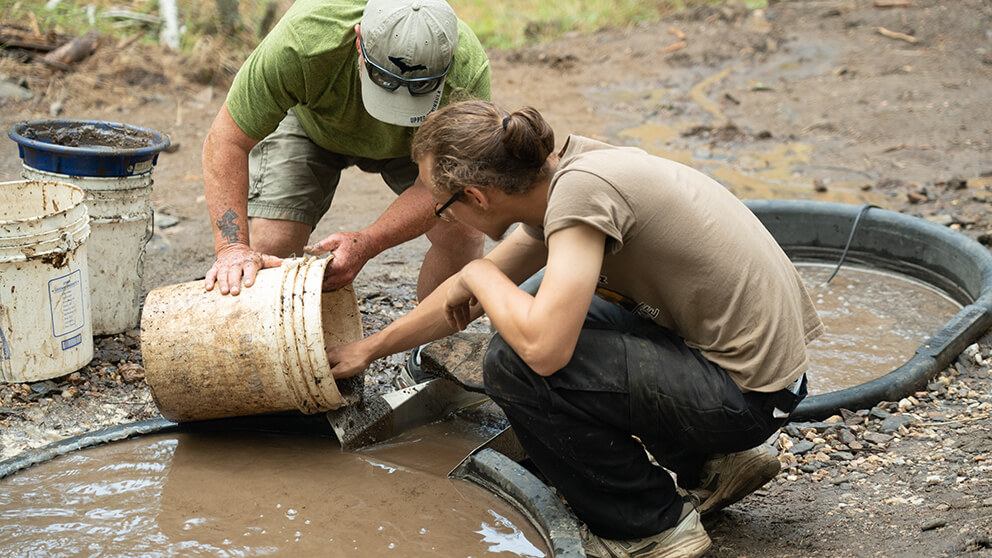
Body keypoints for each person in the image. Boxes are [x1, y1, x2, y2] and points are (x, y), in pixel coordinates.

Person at [325, 100, 824, 558]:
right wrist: (368, 350)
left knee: (516, 363)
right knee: (557, 314)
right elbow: (468, 295)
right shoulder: (569, 175)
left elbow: (542, 349)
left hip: (749, 394)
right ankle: (712, 465)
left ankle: (651, 527)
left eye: (442, 206)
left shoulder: (581, 198)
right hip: (756, 370)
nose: (445, 215)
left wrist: (478, 274)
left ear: (476, 196)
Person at [201, 0, 490, 301]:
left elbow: (444, 187)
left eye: (419, 87)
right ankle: (281, 340)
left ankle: (431, 340)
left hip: (417, 141)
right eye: (384, 80)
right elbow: (227, 139)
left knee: (462, 228)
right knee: (273, 245)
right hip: (312, 124)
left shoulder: (467, 73)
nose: (397, 98)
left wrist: (368, 242)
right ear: (358, 39)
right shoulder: (305, 41)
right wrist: (231, 248)